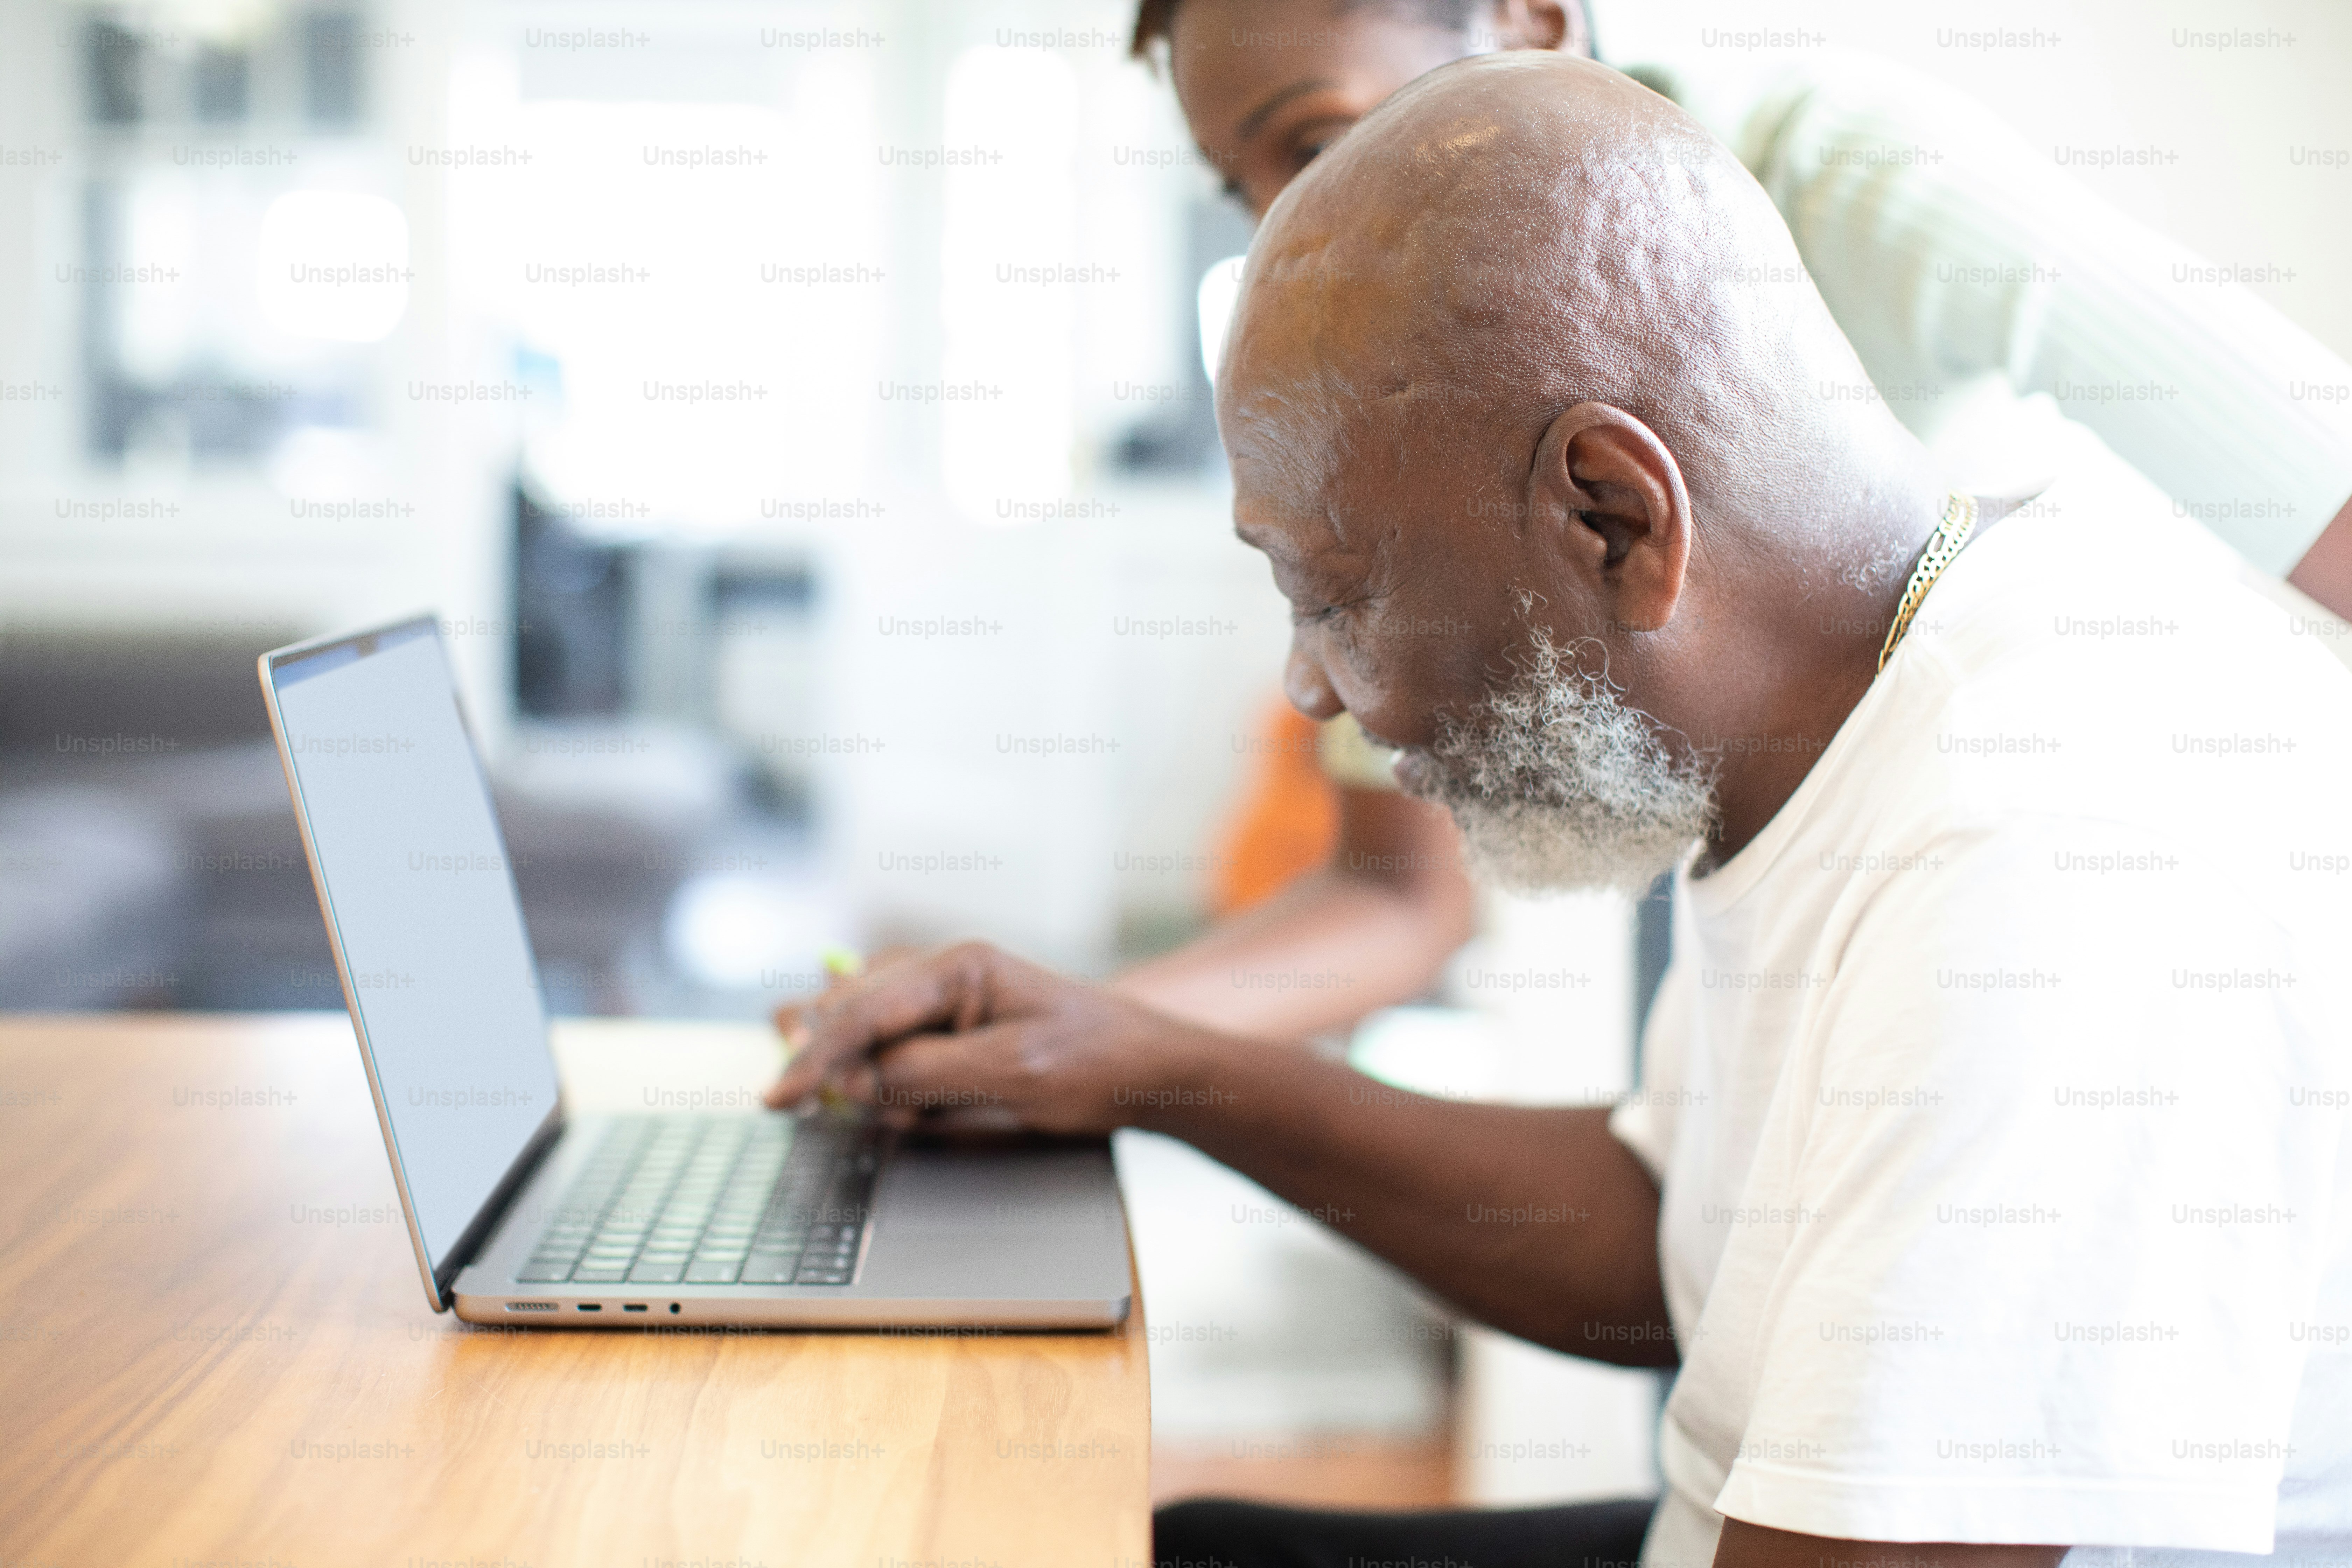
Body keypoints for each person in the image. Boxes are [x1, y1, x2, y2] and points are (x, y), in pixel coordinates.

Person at [770, 53, 2352, 1568]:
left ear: (1612, 515)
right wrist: (1145, 1065)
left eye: (1337, 596)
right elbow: (1676, 1250)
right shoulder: (1847, 707)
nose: (1314, 691)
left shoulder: (2052, 847)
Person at [1108, 0, 2352, 1044]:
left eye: (1316, 141)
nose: (1287, 224)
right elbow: (1394, 894)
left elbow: (2317, 489)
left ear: (1527, 20)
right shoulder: (1398, 405)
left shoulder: (1842, 172)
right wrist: (1071, 1037)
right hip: (1741, 875)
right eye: (1243, 186)